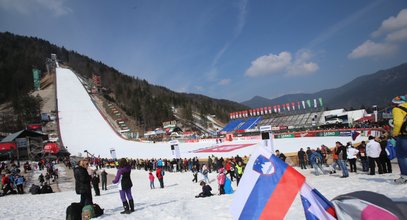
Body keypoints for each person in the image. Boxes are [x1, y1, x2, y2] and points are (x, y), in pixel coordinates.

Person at [391, 95, 407, 184]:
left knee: (402, 156)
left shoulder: (397, 109)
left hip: (404, 135)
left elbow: (397, 123)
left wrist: (395, 134)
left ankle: (404, 176)